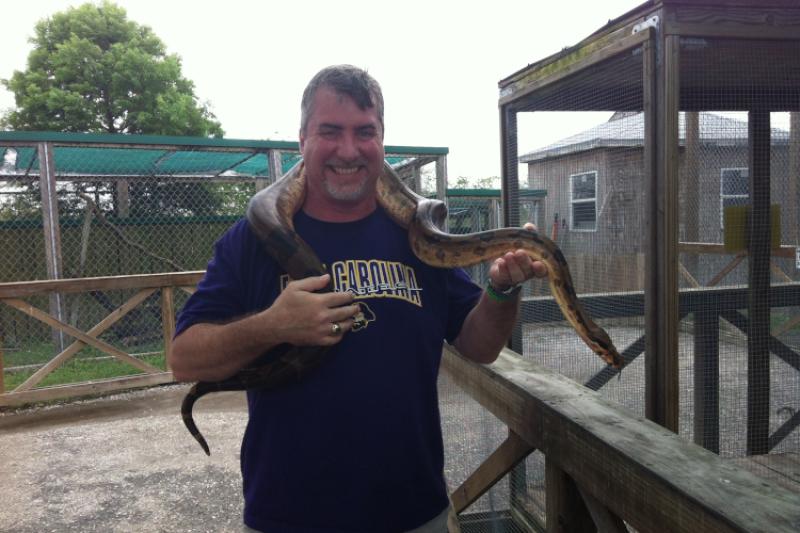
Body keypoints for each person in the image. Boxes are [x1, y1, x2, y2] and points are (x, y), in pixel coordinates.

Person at [169, 64, 545, 533]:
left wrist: (502, 288)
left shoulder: (421, 237)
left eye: (364, 132)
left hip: (414, 512)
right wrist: (274, 325)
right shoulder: (251, 240)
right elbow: (184, 360)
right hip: (289, 518)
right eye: (331, 131)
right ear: (302, 138)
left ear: (382, 140)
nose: (348, 150)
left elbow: (479, 345)